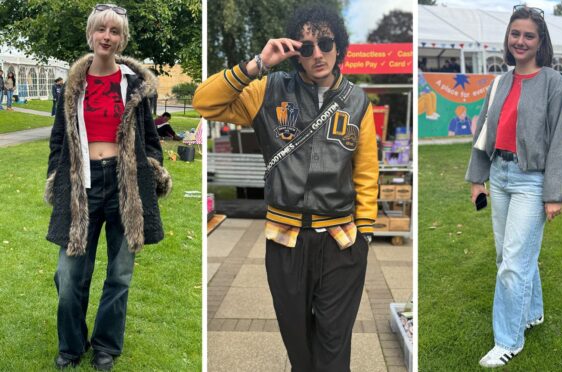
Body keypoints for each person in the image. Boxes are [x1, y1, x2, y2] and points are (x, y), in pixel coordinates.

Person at [193, 4, 378, 371]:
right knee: (299, 347)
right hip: (285, 241)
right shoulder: (268, 90)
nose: (318, 53)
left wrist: (365, 235)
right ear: (296, 52)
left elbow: (366, 171)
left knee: (333, 345)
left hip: (341, 241)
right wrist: (257, 64)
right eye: (306, 47)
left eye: (325, 43)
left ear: (339, 45)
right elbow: (203, 102)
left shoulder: (358, 102)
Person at [45, 4, 171, 370]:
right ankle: (71, 345)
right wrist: (56, 177)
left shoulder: (133, 85)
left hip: (124, 185)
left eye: (114, 31)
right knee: (69, 276)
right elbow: (59, 140)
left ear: (121, 39)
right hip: (81, 184)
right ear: (91, 34)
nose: (107, 37)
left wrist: (153, 169)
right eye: (101, 29)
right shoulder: (74, 85)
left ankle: (105, 345)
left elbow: (149, 137)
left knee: (119, 274)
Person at [465, 5, 562, 368]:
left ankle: (509, 340)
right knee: (510, 257)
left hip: (532, 181)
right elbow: (484, 133)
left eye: (529, 35)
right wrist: (477, 179)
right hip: (499, 175)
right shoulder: (499, 83)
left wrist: (554, 194)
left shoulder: (553, 83)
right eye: (516, 34)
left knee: (513, 261)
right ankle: (533, 313)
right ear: (508, 38)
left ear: (540, 41)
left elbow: (561, 141)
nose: (521, 41)